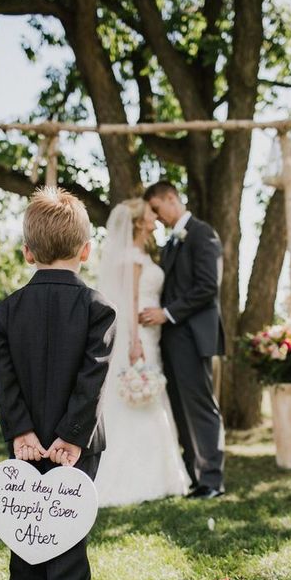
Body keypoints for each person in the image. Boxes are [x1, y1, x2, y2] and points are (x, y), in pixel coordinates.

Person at [0, 187, 116, 580]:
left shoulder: (7, 311)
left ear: (26, 252)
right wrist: (73, 435)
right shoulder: (98, 308)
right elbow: (93, 378)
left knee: (24, 515)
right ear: (86, 249)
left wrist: (22, 430)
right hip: (76, 443)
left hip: (26, 440)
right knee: (67, 520)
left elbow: (3, 380)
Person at [94, 198, 189, 506]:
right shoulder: (132, 257)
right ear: (138, 222)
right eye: (150, 214)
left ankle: (161, 473)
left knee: (149, 397)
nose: (155, 217)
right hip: (139, 338)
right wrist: (134, 343)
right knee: (140, 399)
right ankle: (136, 476)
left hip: (151, 335)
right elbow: (129, 303)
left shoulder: (143, 254)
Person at [141, 181, 225, 499]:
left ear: (171, 199)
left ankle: (213, 481)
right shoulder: (172, 243)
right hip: (171, 340)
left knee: (200, 408)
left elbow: (207, 287)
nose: (157, 217)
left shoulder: (203, 234)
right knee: (179, 408)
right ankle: (195, 476)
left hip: (191, 335)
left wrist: (167, 313)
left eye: (158, 209)